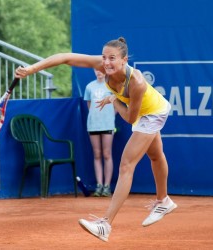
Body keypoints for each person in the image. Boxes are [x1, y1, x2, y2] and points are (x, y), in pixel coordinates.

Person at [15, 37, 177, 242]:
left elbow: (129, 118)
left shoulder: (136, 82)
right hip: (147, 110)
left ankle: (105, 224)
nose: (106, 63)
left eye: (112, 58)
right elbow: (66, 58)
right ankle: (164, 200)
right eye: (104, 57)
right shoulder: (103, 65)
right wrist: (32, 69)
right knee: (155, 155)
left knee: (127, 164)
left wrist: (114, 100)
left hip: (152, 113)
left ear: (124, 60)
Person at [84, 69, 116, 197]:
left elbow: (118, 104)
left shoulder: (112, 85)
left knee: (107, 154)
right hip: (93, 125)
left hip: (108, 124)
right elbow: (89, 105)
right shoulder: (89, 86)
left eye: (101, 70)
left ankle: (107, 186)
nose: (99, 72)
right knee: (97, 154)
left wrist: (110, 116)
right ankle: (99, 185)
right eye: (97, 69)